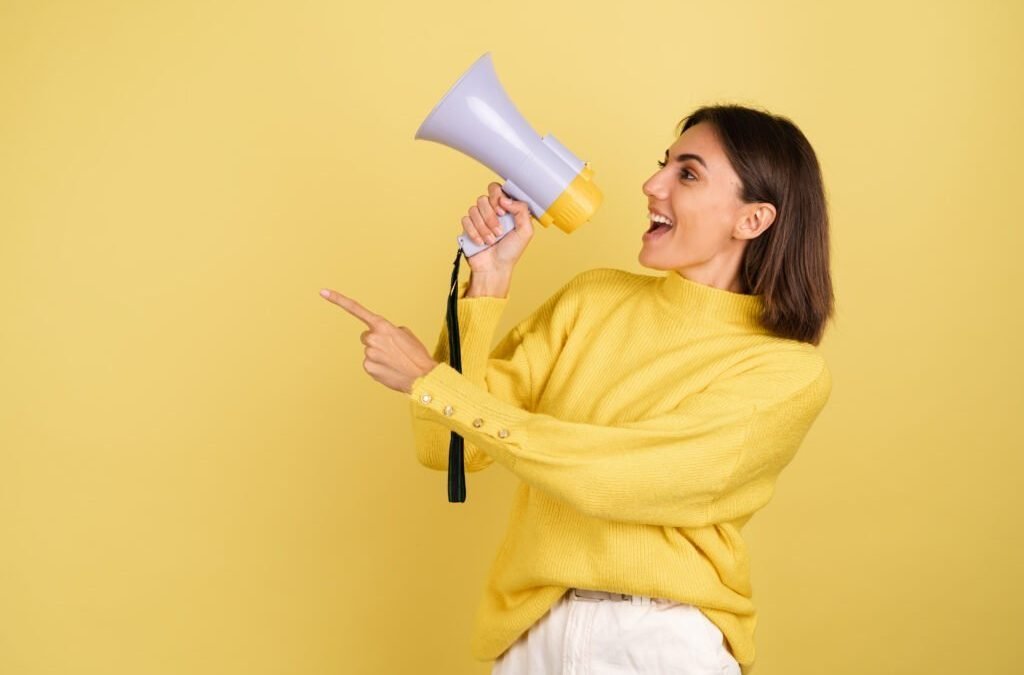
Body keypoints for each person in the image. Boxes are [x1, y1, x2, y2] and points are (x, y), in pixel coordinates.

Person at [324, 103, 834, 674]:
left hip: (660, 645)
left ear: (753, 220)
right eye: (663, 164)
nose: (652, 183)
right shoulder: (593, 299)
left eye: (687, 174)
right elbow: (450, 448)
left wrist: (430, 382)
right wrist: (486, 285)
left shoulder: (783, 371)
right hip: (531, 633)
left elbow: (613, 479)